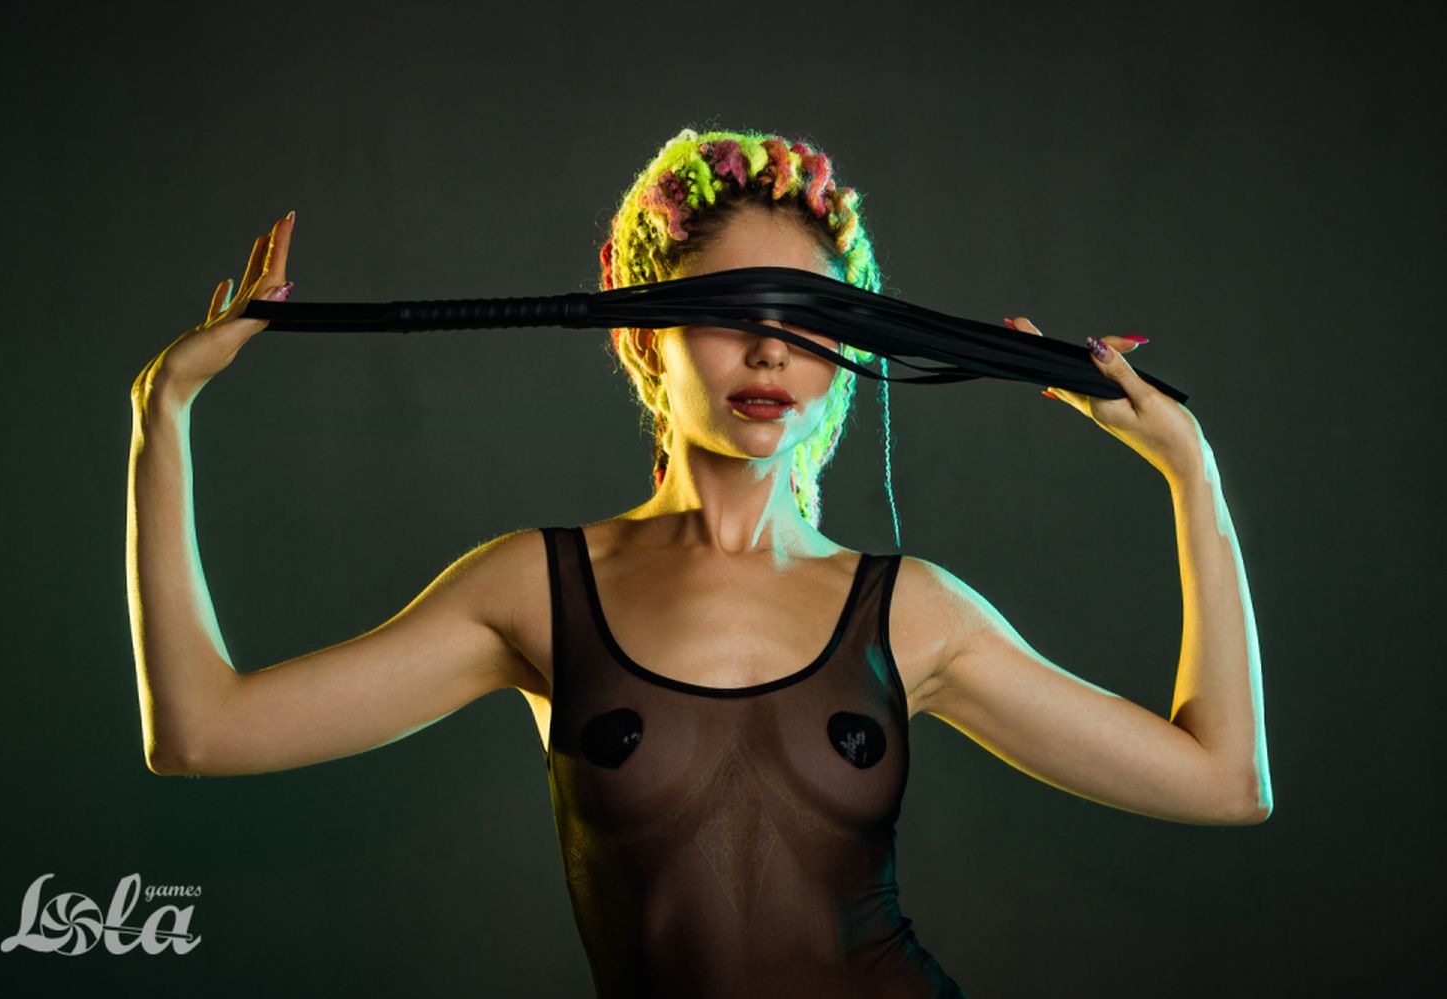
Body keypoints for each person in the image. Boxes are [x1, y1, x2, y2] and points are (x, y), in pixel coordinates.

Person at [126, 127, 1271, 998]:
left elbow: (1223, 781)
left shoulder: (910, 614)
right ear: (642, 334)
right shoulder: (534, 591)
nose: (770, 348)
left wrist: (1195, 478)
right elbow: (202, 733)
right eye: (732, 310)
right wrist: (161, 416)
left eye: (807, 317)